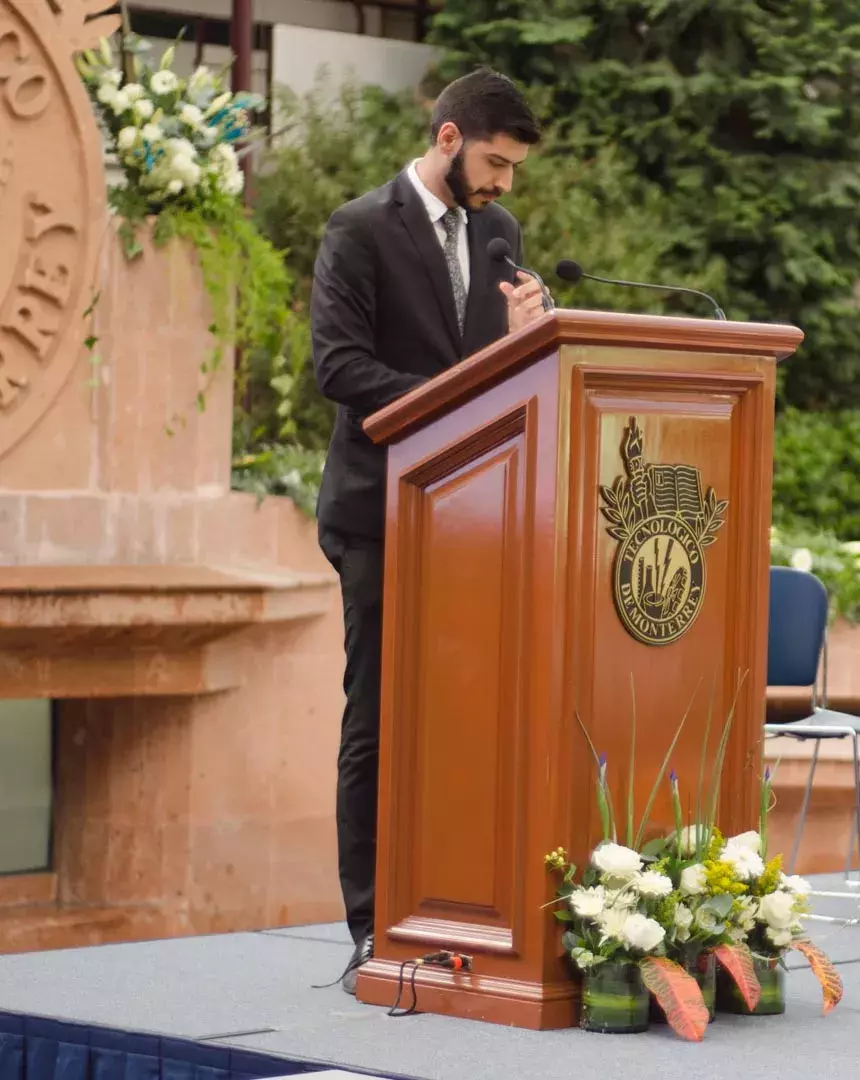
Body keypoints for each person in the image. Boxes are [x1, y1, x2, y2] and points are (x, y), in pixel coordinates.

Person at [310, 68, 546, 993]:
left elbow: (494, 369)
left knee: (468, 717)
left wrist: (529, 338)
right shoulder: (358, 228)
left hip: (474, 519)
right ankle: (370, 924)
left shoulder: (500, 233)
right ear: (448, 139)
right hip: (377, 514)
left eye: (515, 169)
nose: (503, 185)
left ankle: (455, 909)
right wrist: (454, 398)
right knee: (376, 718)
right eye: (494, 163)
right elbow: (339, 366)